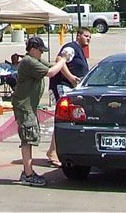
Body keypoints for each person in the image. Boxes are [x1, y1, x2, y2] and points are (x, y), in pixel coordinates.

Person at [11, 36, 67, 186]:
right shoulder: (29, 62)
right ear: (33, 49)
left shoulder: (34, 60)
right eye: (40, 50)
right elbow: (50, 72)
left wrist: (62, 62)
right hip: (24, 106)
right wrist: (63, 60)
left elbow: (51, 66)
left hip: (29, 106)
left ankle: (28, 172)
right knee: (28, 138)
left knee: (30, 137)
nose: (42, 53)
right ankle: (28, 174)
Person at [46, 27, 91, 164]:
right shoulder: (71, 47)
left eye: (90, 37)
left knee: (68, 119)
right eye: (86, 36)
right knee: (63, 119)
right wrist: (71, 77)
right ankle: (53, 153)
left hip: (70, 89)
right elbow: (60, 59)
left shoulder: (79, 51)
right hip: (62, 87)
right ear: (78, 36)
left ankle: (54, 151)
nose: (88, 38)